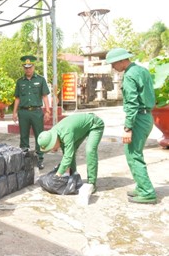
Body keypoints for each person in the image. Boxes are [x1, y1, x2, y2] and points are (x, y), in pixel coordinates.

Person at [106, 48, 157, 204]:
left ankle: (147, 192)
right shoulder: (142, 70)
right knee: (134, 153)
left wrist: (128, 128)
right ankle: (142, 187)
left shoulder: (129, 75)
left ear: (122, 61)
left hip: (138, 119)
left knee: (133, 155)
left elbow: (132, 104)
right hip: (146, 115)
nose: (113, 67)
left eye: (114, 63)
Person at [37, 113, 105, 193]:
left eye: (51, 147)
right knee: (70, 151)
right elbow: (67, 155)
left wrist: (58, 175)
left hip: (95, 125)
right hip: (80, 128)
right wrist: (68, 173)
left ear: (54, 141)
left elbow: (68, 157)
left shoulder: (66, 134)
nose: (52, 150)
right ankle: (74, 178)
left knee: (90, 150)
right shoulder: (54, 133)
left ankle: (92, 183)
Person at [12, 55, 51, 169]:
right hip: (23, 113)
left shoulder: (40, 79)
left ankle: (40, 159)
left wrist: (47, 111)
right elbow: (17, 98)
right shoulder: (20, 82)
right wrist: (14, 113)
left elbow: (44, 96)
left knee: (40, 136)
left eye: (30, 67)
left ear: (33, 66)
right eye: (25, 67)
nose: (28, 69)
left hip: (36, 112)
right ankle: (25, 159)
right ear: (23, 68)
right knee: (23, 137)